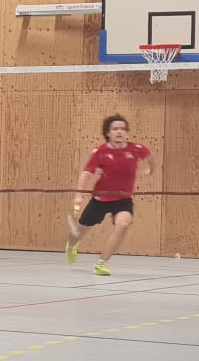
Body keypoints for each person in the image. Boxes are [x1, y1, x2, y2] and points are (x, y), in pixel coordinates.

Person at [66, 114, 153, 277]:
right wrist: (79, 194)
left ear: (126, 132)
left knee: (123, 225)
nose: (119, 132)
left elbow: (150, 157)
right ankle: (71, 246)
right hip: (100, 199)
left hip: (123, 199)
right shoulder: (100, 152)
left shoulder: (136, 149)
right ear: (108, 133)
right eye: (115, 129)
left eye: (123, 129)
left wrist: (151, 170)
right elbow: (86, 173)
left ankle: (101, 263)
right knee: (77, 234)